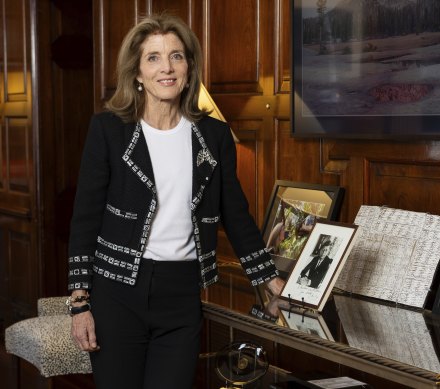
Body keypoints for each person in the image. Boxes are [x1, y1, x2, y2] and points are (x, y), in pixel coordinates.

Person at [66, 13, 284, 389]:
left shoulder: (213, 135)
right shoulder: (109, 130)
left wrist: (268, 279)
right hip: (118, 294)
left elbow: (235, 213)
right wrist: (80, 305)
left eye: (176, 56)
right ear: (136, 72)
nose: (166, 68)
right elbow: (85, 218)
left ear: (189, 67)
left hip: (182, 294)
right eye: (153, 58)